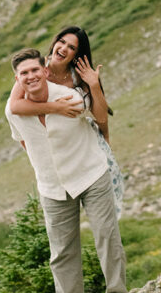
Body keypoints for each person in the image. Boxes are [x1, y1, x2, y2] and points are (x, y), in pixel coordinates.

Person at [5, 47, 131, 293]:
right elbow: (24, 141)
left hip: (90, 174)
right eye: (24, 73)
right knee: (61, 251)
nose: (31, 76)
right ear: (17, 79)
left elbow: (98, 118)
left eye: (35, 70)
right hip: (51, 186)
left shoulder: (70, 98)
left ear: (45, 71)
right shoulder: (13, 111)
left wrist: (95, 87)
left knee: (106, 235)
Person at [9, 25, 124, 216]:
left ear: (76, 54)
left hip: (87, 151)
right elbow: (15, 106)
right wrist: (56, 107)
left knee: (105, 220)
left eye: (71, 47)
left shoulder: (80, 75)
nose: (64, 49)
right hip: (57, 159)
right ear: (55, 42)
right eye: (62, 42)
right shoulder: (35, 70)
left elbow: (101, 116)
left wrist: (94, 85)